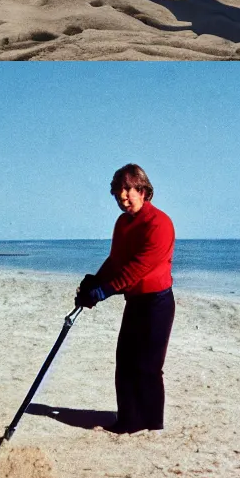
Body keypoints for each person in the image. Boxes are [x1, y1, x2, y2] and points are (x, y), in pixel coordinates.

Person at [76, 164, 176, 432]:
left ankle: (153, 425)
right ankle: (128, 421)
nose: (122, 197)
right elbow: (116, 261)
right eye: (118, 192)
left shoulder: (160, 224)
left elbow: (137, 268)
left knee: (149, 367)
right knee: (125, 363)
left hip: (158, 304)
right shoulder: (122, 223)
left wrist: (104, 291)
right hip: (135, 302)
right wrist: (94, 282)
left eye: (127, 190)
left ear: (142, 190)